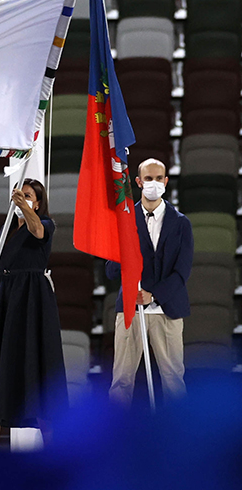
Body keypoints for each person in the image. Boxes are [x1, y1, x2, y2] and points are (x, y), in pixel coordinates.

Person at [0, 179, 67, 451]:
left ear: (37, 202)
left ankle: (51, 445)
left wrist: (24, 207)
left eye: (28, 196)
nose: (22, 199)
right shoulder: (7, 230)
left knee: (37, 367)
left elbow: (37, 230)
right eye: (19, 195)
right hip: (3, 297)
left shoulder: (46, 224)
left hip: (30, 299)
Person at [106, 158, 193, 407]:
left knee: (174, 380)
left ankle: (178, 441)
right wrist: (125, 248)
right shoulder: (124, 220)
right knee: (121, 381)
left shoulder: (181, 223)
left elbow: (182, 273)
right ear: (138, 182)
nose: (153, 183)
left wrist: (152, 294)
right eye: (148, 178)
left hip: (168, 310)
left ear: (166, 182)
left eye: (158, 178)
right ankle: (117, 440)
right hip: (131, 311)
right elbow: (111, 271)